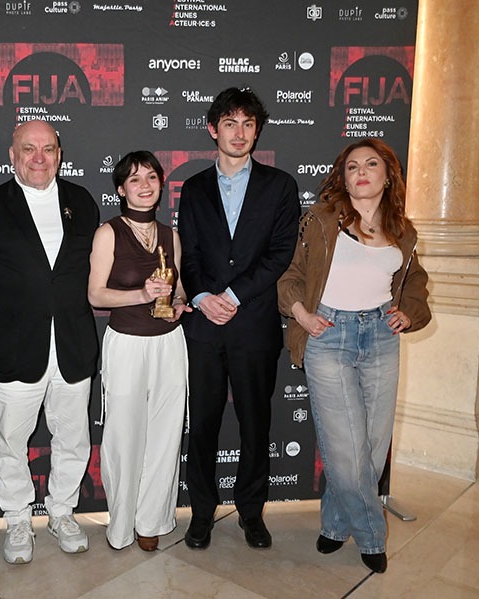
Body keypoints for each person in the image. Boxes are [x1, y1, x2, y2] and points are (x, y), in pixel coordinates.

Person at [277, 138, 430, 574]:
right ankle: (371, 534)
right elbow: (290, 276)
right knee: (345, 448)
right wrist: (303, 314)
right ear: (342, 178)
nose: (361, 172)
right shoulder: (320, 221)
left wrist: (409, 311)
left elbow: (415, 282)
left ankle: (335, 523)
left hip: (381, 335)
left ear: (387, 175)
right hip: (328, 334)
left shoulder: (404, 230)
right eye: (352, 167)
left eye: (371, 164)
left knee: (372, 445)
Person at [178, 87, 299, 551]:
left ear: (257, 131)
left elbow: (280, 254)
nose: (239, 133)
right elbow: (188, 255)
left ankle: (252, 512)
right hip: (205, 326)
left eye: (248, 124)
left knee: (255, 423)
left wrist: (230, 294)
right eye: (230, 123)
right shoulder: (193, 188)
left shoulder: (280, 186)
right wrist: (205, 296)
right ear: (213, 130)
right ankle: (202, 513)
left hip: (254, 326)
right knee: (203, 422)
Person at [0, 120, 99, 565]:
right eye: (28, 149)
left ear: (59, 153)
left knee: (73, 438)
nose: (38, 157)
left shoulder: (81, 201)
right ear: (12, 155)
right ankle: (16, 518)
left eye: (47, 148)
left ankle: (62, 512)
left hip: (72, 345)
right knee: (11, 441)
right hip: (14, 346)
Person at [87, 151, 191, 551]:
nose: (144, 185)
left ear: (161, 184)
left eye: (151, 177)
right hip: (127, 343)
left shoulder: (171, 235)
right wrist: (141, 293)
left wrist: (178, 304)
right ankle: (122, 523)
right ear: (120, 189)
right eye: (134, 179)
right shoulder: (108, 232)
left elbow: (178, 288)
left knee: (165, 436)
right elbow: (95, 293)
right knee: (123, 435)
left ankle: (151, 521)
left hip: (168, 344)